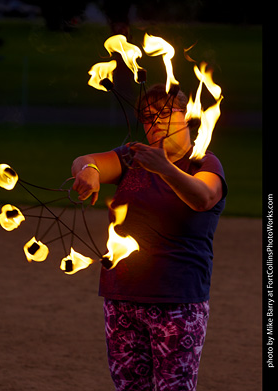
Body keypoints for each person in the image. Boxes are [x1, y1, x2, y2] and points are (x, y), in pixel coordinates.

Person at [71, 84, 227, 391]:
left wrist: (166, 169)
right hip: (122, 296)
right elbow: (85, 160)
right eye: (147, 116)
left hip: (177, 300)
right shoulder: (133, 157)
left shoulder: (204, 164)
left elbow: (203, 199)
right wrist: (88, 170)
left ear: (187, 115)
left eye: (164, 113)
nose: (154, 122)